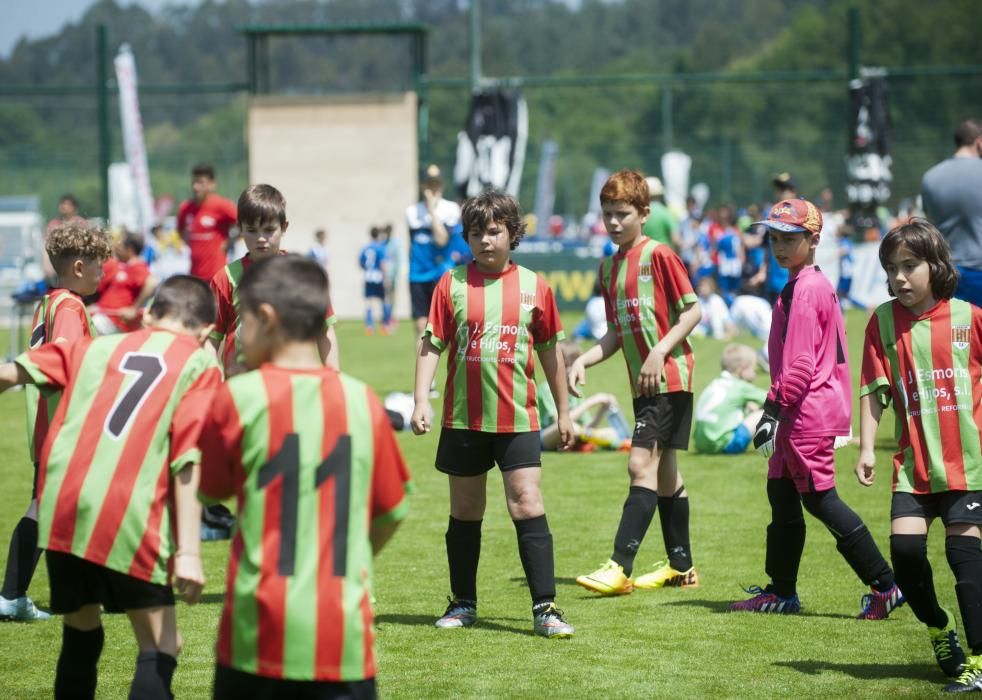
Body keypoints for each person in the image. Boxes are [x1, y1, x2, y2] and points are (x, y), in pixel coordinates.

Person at [199, 255, 411, 699]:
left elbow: (209, 489)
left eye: (245, 320)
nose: (240, 335)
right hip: (342, 638)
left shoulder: (238, 397)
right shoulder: (363, 402)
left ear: (267, 318)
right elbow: (393, 510)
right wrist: (354, 553)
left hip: (254, 637)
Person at [0, 274, 221, 698]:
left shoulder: (97, 346)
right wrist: (190, 551)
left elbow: (14, 371)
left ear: (149, 314)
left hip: (63, 506)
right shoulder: (199, 362)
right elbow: (188, 459)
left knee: (81, 632)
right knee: (163, 645)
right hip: (130, 510)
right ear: (207, 332)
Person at [411, 190, 576, 638]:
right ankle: (463, 602)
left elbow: (550, 353)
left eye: (495, 231)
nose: (486, 240)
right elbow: (432, 343)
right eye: (477, 233)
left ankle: (545, 608)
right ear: (466, 237)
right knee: (465, 511)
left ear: (512, 234)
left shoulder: (534, 286)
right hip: (463, 419)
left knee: (527, 503)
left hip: (518, 420)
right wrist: (421, 398)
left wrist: (564, 412)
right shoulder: (451, 284)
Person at [730, 197, 903, 619]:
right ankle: (781, 591)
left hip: (806, 411)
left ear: (814, 239)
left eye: (790, 237)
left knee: (820, 499)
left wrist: (772, 409)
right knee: (781, 493)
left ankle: (886, 585)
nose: (780, 246)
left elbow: (803, 363)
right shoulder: (805, 282)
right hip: (801, 409)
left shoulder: (806, 287)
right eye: (774, 237)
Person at [856, 219, 982, 692]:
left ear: (936, 265)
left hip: (968, 463)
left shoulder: (970, 318)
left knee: (962, 552)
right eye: (891, 269)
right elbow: (874, 388)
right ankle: (938, 626)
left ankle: (981, 658)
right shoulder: (883, 322)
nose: (900, 278)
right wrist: (867, 446)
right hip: (914, 466)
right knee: (905, 553)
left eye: (910, 266)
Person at [570, 169, 702, 595]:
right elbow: (614, 331)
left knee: (639, 464)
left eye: (622, 214)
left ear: (644, 214)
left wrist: (660, 351)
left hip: (670, 378)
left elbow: (692, 312)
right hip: (644, 385)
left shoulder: (659, 255)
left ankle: (619, 566)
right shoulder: (608, 267)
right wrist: (584, 361)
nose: (613, 223)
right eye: (607, 214)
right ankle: (681, 568)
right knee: (665, 473)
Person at [0, 224, 111, 623]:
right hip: (65, 424)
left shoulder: (50, 301)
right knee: (52, 506)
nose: (104, 273)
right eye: (100, 265)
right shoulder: (69, 307)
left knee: (48, 504)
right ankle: (15, 595)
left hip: (50, 422)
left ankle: (14, 596)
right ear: (79, 267)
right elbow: (63, 360)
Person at [209, 184, 338, 375]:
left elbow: (324, 331)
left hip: (292, 386)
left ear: (284, 227)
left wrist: (334, 376)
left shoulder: (303, 274)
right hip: (243, 388)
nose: (261, 238)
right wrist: (214, 382)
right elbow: (212, 339)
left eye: (269, 230)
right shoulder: (225, 278)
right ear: (240, 229)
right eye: (252, 230)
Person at [921, 119, 982, 307]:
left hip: (946, 273)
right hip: (979, 270)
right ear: (979, 142)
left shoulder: (930, 177)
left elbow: (929, 223)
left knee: (956, 334)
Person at [406, 164, 467, 337]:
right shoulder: (411, 212)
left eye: (437, 184)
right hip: (417, 274)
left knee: (445, 328)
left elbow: (442, 241)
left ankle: (453, 362)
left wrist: (432, 211)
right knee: (420, 325)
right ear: (423, 186)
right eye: (430, 184)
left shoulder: (450, 209)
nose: (433, 189)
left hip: (441, 274)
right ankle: (421, 364)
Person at [538, 342, 631, 451]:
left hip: (574, 433)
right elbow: (560, 423)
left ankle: (620, 441)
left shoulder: (575, 389)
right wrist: (590, 402)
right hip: (544, 438)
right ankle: (619, 444)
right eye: (574, 366)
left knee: (611, 432)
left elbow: (588, 428)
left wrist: (602, 410)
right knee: (573, 427)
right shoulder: (546, 389)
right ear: (563, 366)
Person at [693, 344, 766, 455]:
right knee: (765, 412)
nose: (755, 373)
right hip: (726, 445)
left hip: (701, 446)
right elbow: (772, 398)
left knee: (750, 407)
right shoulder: (741, 386)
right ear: (741, 369)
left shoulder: (715, 384)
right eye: (753, 369)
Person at [177, 162, 237, 282]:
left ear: (212, 185)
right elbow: (180, 231)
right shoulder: (185, 208)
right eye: (194, 182)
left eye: (200, 183)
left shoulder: (222, 205)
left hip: (217, 275)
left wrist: (230, 240)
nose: (196, 187)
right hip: (194, 275)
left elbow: (245, 221)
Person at [89, 232, 158, 334]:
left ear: (129, 249)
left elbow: (152, 282)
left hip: (113, 322)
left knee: (89, 328)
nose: (116, 247)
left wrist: (134, 309)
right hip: (102, 315)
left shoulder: (138, 267)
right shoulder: (119, 265)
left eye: (120, 245)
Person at [43, 195, 89, 282]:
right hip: (58, 266)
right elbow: (46, 247)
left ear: (74, 207)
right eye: (61, 204)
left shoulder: (81, 224)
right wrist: (46, 266)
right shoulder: (54, 224)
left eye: (66, 204)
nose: (63, 206)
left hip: (77, 265)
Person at [358, 226, 388, 335]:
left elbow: (361, 262)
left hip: (368, 276)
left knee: (369, 302)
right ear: (378, 235)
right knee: (383, 300)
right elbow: (383, 264)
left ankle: (369, 327)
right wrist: (386, 278)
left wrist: (367, 270)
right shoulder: (380, 248)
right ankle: (384, 326)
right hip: (378, 277)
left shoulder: (365, 248)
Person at [641, 176, 678, 248]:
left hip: (643, 254)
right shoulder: (666, 212)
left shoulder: (640, 213)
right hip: (662, 255)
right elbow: (676, 239)